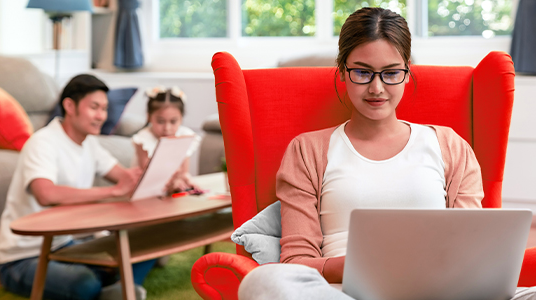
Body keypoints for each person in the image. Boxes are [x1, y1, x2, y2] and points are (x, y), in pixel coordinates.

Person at [237, 7, 536, 300]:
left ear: (407, 73)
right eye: (362, 73)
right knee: (265, 280)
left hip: (437, 292)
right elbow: (295, 263)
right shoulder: (307, 150)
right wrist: (360, 267)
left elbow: (473, 250)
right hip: (342, 292)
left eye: (391, 73)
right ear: (342, 72)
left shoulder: (450, 145)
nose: (377, 88)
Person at [0, 74, 155, 300]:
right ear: (70, 105)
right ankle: (117, 286)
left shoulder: (89, 143)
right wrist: (111, 191)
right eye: (94, 108)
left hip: (68, 245)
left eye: (104, 108)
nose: (101, 116)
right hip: (24, 258)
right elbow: (46, 193)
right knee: (84, 284)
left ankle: (116, 287)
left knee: (145, 244)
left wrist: (162, 175)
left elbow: (126, 177)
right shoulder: (43, 142)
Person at [131, 86, 202, 194]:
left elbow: (184, 172)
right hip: (147, 191)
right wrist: (173, 181)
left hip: (172, 190)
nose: (167, 128)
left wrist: (187, 180)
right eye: (160, 121)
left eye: (173, 121)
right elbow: (147, 176)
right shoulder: (143, 139)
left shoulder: (184, 135)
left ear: (181, 118)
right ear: (149, 117)